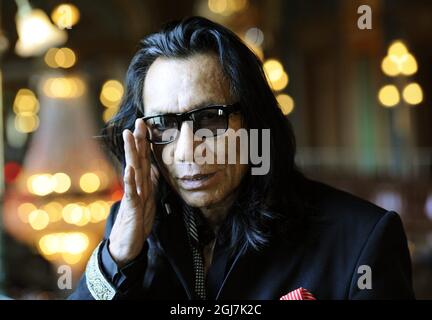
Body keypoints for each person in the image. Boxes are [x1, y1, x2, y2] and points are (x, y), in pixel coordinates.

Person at [69, 16, 414, 300]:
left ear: (254, 120)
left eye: (211, 118)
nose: (188, 149)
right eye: (164, 124)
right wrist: (116, 259)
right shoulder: (130, 228)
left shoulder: (361, 239)